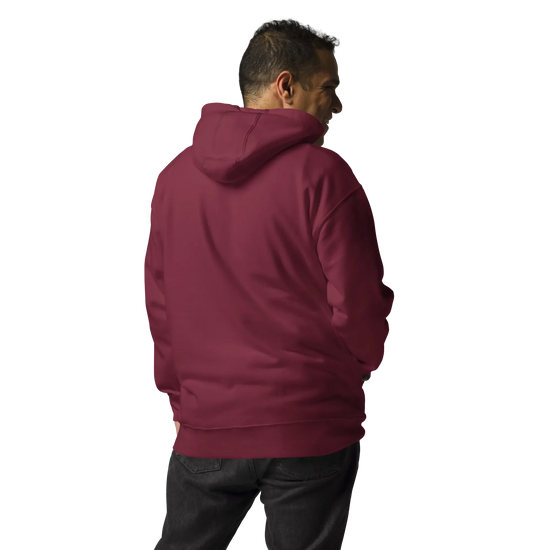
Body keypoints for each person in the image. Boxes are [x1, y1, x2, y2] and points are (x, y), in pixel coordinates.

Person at [145, 15, 396, 550]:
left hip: (206, 427)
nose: (339, 104)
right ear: (286, 86)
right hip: (310, 424)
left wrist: (178, 402)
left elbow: (159, 304)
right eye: (329, 87)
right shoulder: (326, 174)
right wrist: (356, 371)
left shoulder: (172, 176)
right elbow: (360, 302)